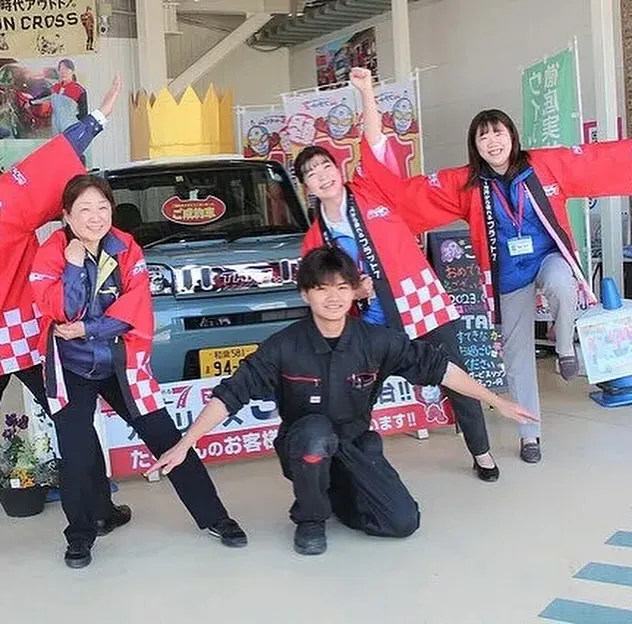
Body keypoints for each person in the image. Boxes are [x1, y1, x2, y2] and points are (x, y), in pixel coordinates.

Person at [144, 247, 538, 556]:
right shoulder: (284, 346)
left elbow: (440, 368)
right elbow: (231, 395)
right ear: (306, 293)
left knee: (402, 522)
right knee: (315, 435)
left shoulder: (375, 342)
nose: (332, 297)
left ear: (355, 291)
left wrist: (495, 400)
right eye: (322, 288)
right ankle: (310, 517)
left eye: (341, 287)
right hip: (304, 443)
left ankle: (334, 495)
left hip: (355, 443)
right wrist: (185, 443)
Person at [357, 101, 632, 464]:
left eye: (498, 131)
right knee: (517, 354)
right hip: (508, 274)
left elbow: (599, 161)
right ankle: (529, 433)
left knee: (562, 280)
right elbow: (409, 195)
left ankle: (564, 345)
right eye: (482, 135)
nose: (492, 141)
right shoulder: (467, 183)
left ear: (512, 136)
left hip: (548, 259)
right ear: (476, 145)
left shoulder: (545, 165)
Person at [29, 174, 247, 569]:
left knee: (164, 435)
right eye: (84, 210)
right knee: (76, 453)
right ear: (66, 215)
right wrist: (75, 266)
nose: (95, 217)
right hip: (71, 367)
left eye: (102, 208)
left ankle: (215, 517)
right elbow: (60, 310)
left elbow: (134, 310)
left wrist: (89, 328)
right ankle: (81, 534)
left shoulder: (126, 247)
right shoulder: (51, 252)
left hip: (120, 362)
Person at [299, 67, 500, 482]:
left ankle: (481, 452)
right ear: (308, 187)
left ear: (338, 169)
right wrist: (354, 292)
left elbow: (373, 141)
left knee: (456, 378)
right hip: (372, 318)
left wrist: (367, 93)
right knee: (357, 394)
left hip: (420, 300)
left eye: (326, 166)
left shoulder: (372, 189)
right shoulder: (316, 236)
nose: (323, 175)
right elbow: (321, 290)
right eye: (312, 173)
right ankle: (353, 464)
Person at [0, 75, 121, 411]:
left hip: (24, 329)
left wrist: (97, 118)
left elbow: (52, 158)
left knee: (67, 412)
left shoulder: (6, 197)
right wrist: (97, 117)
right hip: (21, 326)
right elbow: (55, 158)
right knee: (67, 414)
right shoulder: (6, 197)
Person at [29, 59, 88, 135]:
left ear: (72, 71)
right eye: (61, 69)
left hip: (71, 129)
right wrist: (30, 102)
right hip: (56, 130)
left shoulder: (79, 90)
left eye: (66, 69)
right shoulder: (55, 88)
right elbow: (41, 97)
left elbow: (83, 114)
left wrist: (81, 130)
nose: (63, 72)